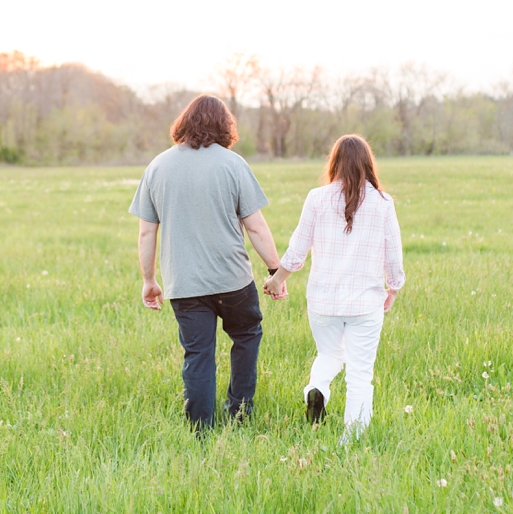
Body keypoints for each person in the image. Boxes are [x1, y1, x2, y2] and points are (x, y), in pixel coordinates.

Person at [129, 95, 284, 431]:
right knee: (245, 336)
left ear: (183, 123)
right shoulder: (233, 164)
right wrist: (275, 270)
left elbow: (145, 234)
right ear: (224, 126)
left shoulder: (157, 167)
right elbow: (255, 225)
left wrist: (149, 280)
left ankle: (200, 429)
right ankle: (240, 414)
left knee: (197, 354)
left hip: (184, 283)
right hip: (233, 281)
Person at [263, 134, 405, 442]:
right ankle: (351, 440)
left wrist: (277, 280)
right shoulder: (383, 203)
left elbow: (298, 249)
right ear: (368, 164)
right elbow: (393, 254)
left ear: (335, 163)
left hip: (323, 302)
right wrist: (393, 288)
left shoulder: (317, 198)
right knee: (359, 374)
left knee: (329, 352)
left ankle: (317, 388)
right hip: (366, 303)